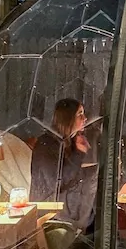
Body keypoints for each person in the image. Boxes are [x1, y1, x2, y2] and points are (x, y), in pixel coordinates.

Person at [30, 98, 98, 233]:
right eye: (80, 114)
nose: (85, 118)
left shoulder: (69, 142)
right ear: (68, 118)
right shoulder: (46, 144)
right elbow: (56, 183)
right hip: (51, 212)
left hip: (67, 206)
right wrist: (79, 153)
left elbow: (75, 174)